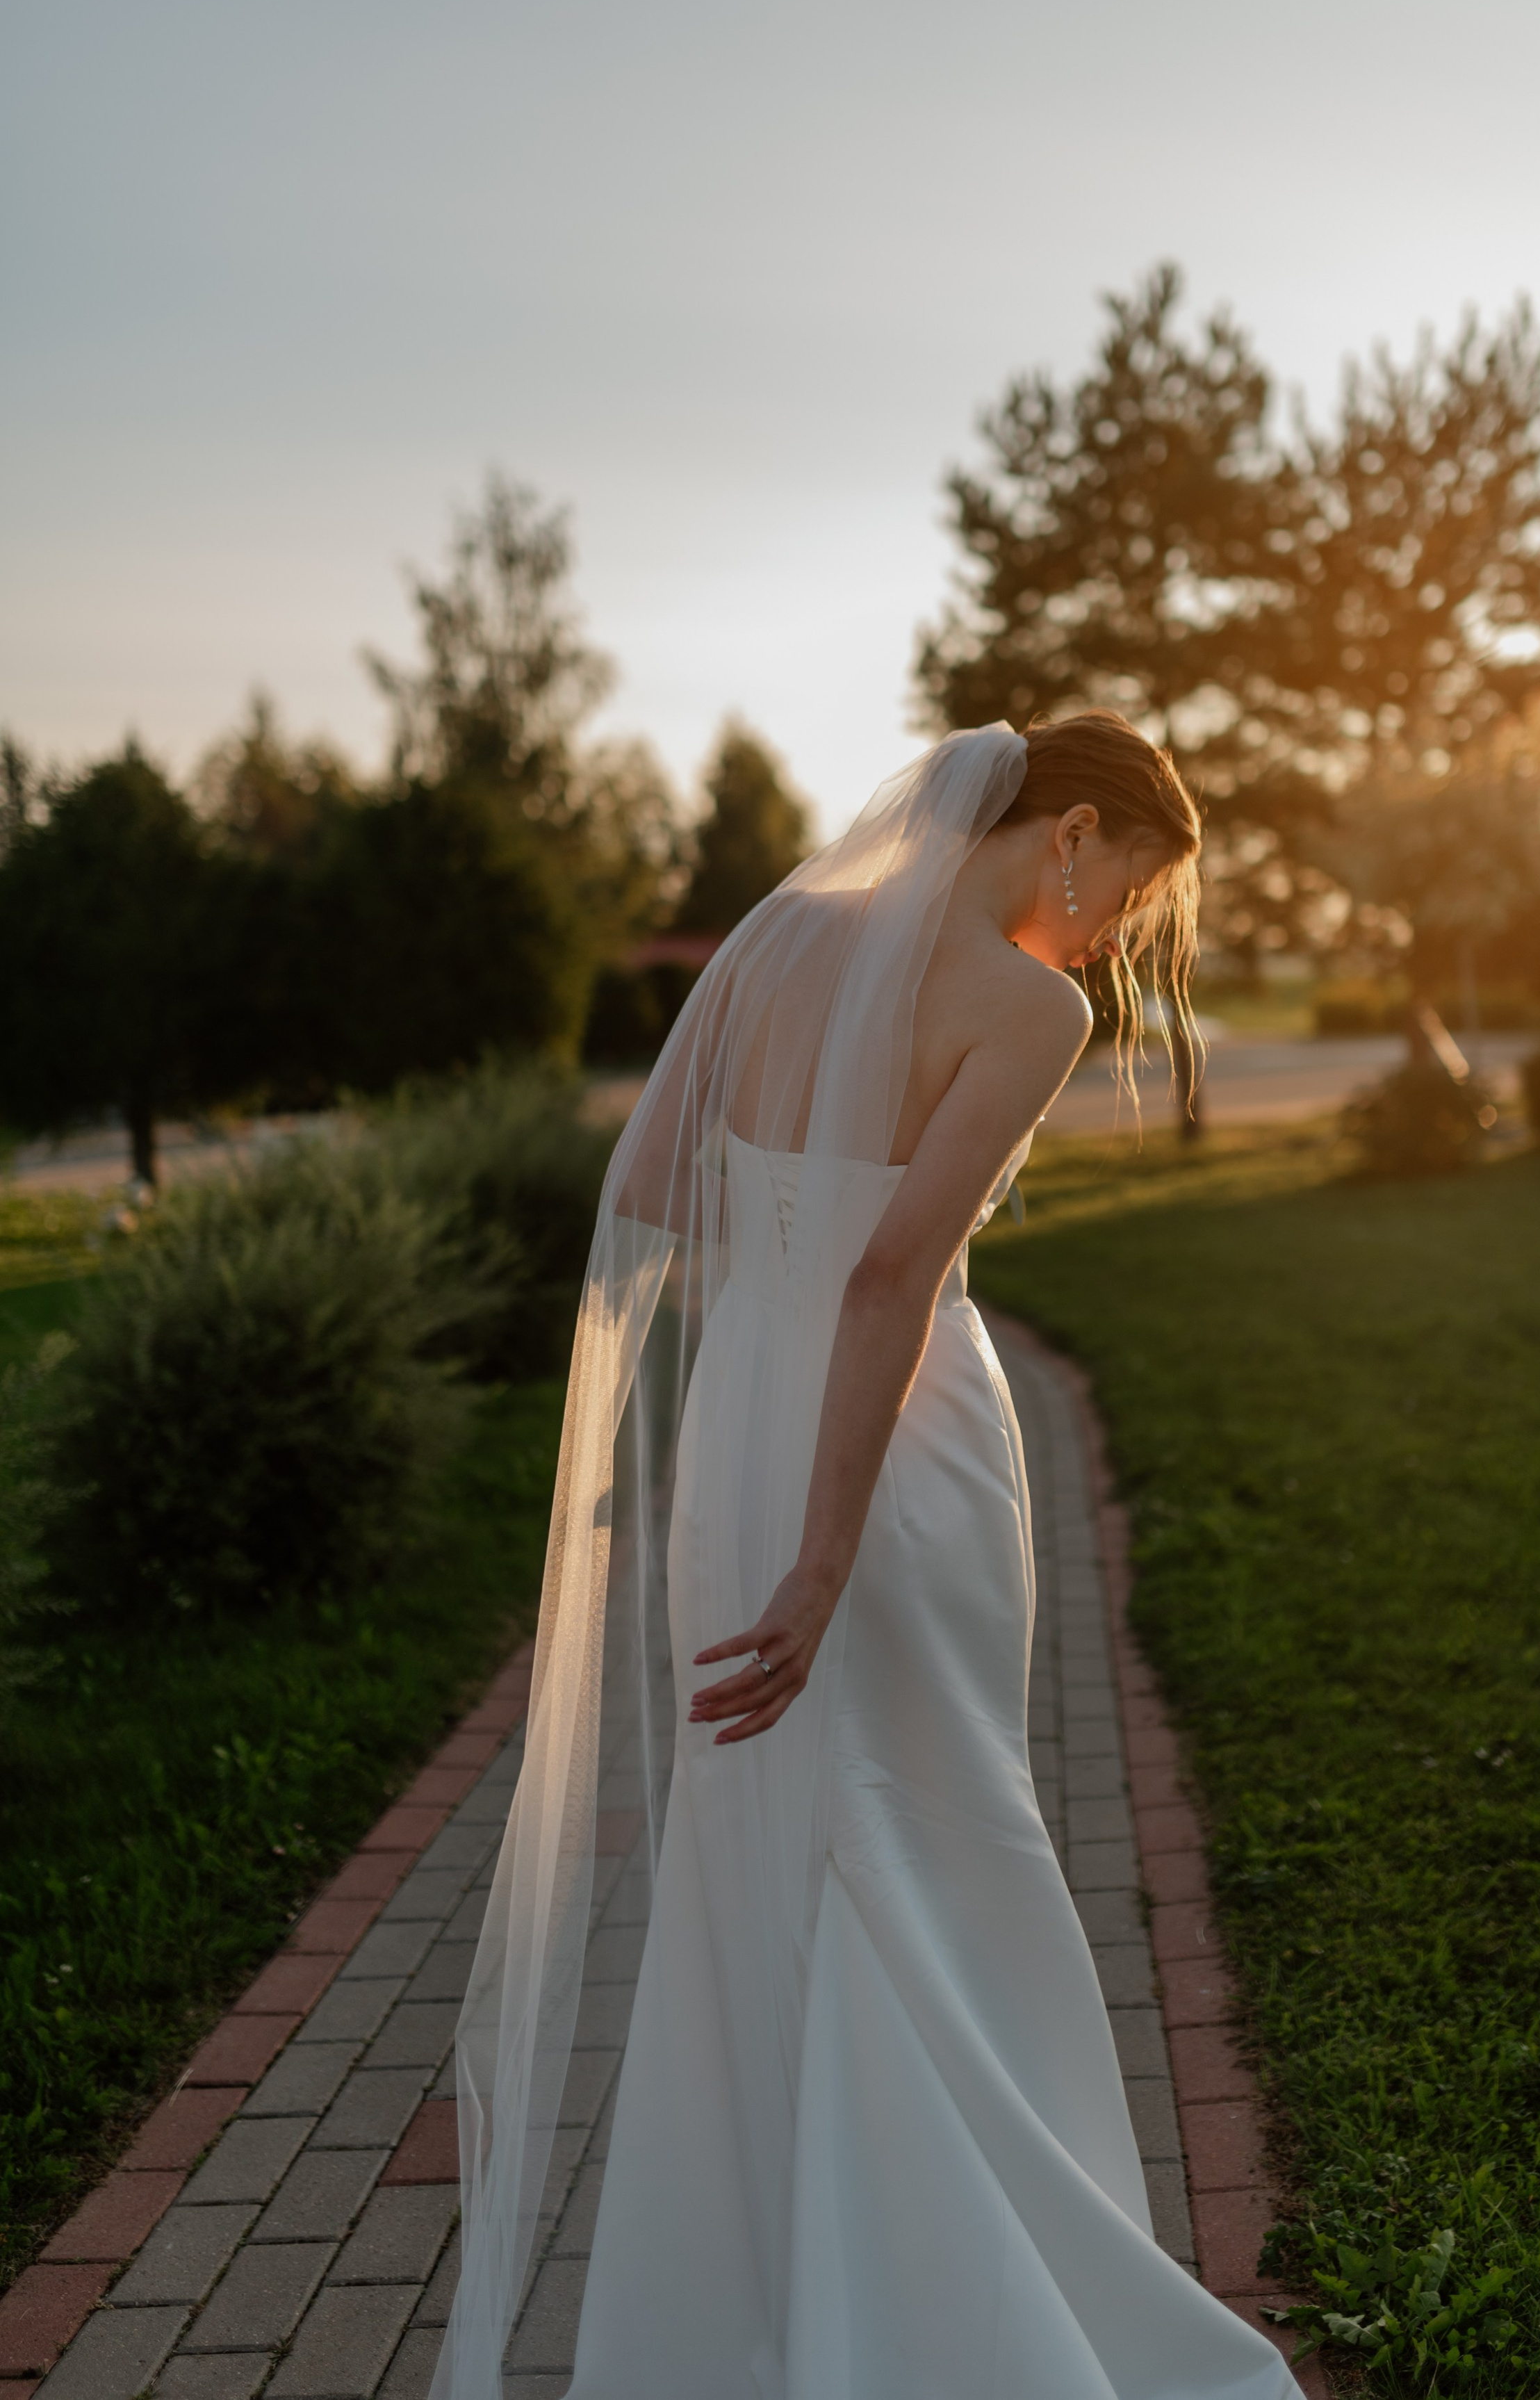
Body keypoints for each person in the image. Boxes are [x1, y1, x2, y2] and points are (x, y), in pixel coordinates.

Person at [436, 714, 1302, 2400]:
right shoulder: (1027, 1008)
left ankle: (759, 2305)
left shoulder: (783, 941)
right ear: (1066, 831)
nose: (1119, 933)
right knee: (919, 1828)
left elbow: (656, 1174)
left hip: (741, 1437)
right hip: (890, 1470)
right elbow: (896, 1275)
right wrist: (829, 1553)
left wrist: (777, 1248)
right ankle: (938, 2317)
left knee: (769, 1847)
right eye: (1128, 887)